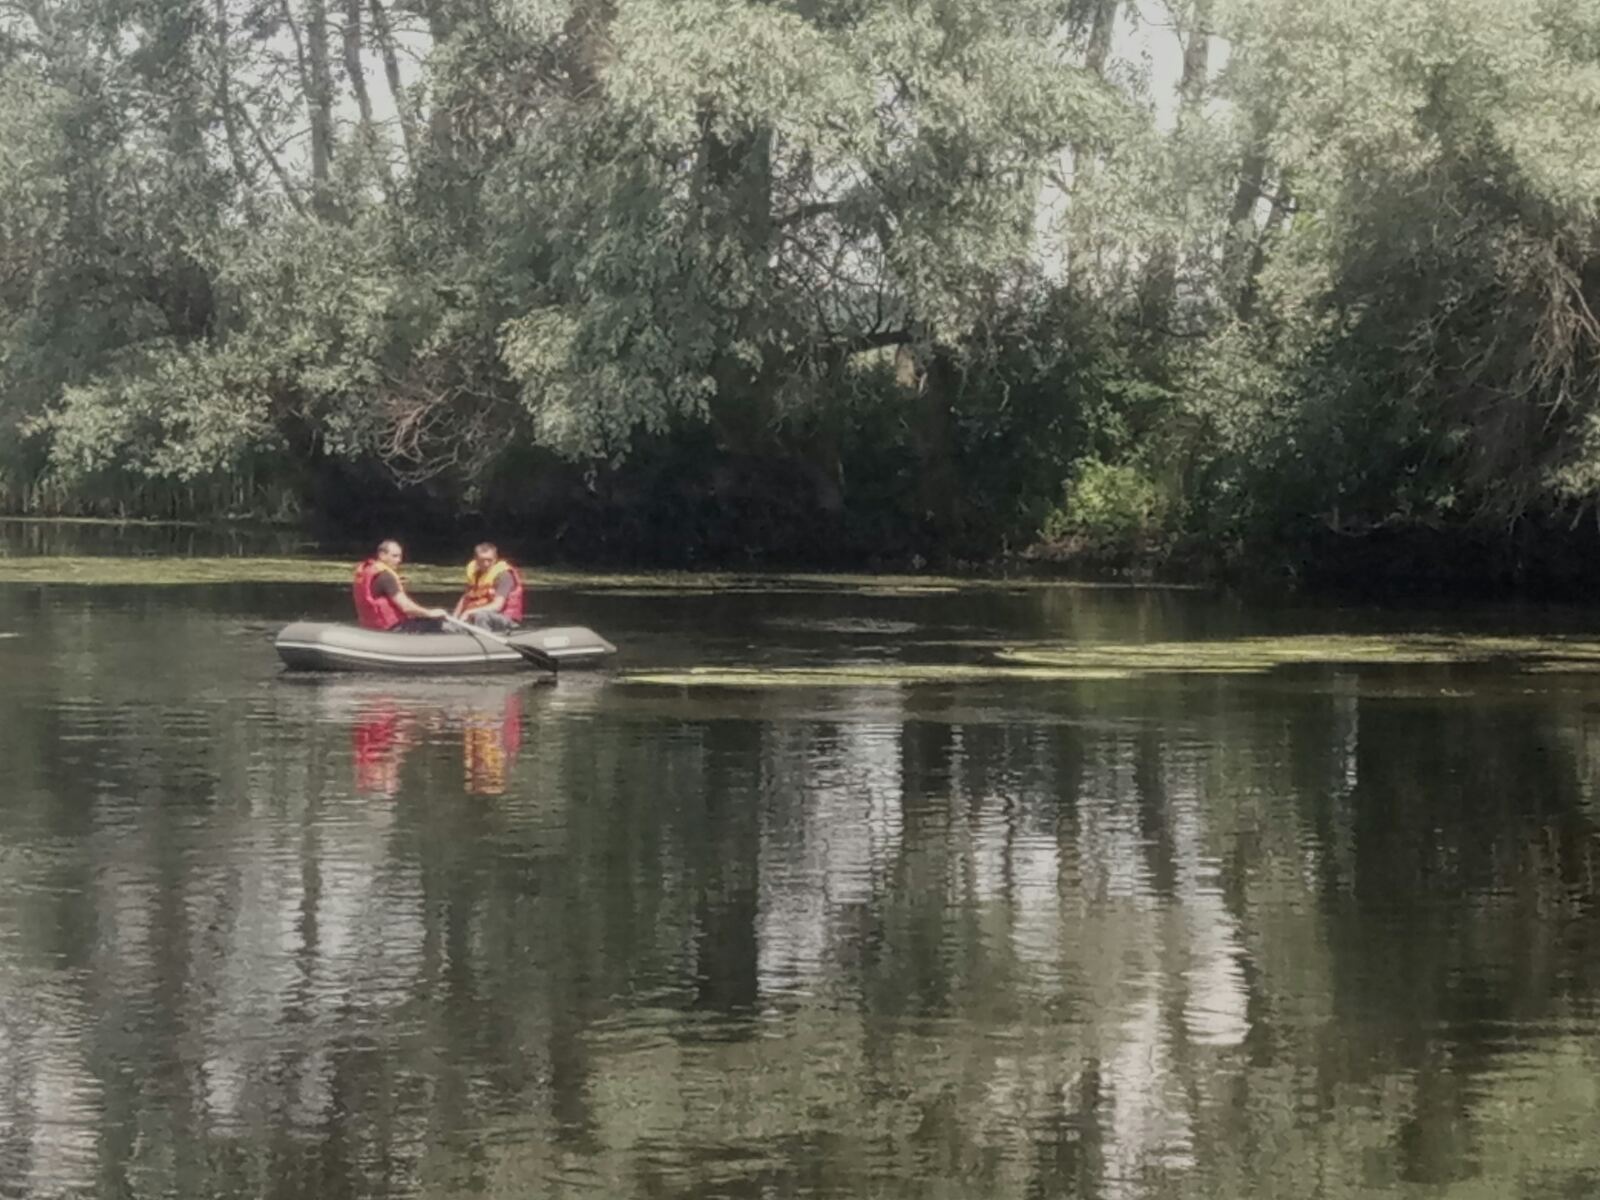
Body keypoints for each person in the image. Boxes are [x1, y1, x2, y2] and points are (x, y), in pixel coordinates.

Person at [352, 539, 449, 632]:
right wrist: (430, 613)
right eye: (394, 556)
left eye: (399, 556)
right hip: (393, 629)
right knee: (437, 623)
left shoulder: (368, 571)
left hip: (372, 627)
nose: (399, 560)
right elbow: (406, 607)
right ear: (382, 555)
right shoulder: (385, 577)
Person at [452, 542, 525, 633]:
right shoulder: (476, 575)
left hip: (505, 620)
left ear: (495, 559)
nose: (486, 564)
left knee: (481, 615)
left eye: (489, 560)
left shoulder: (504, 576)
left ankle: (485, 644)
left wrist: (469, 612)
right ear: (476, 559)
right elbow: (465, 598)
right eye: (482, 560)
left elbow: (497, 606)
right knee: (446, 623)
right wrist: (454, 618)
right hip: (477, 617)